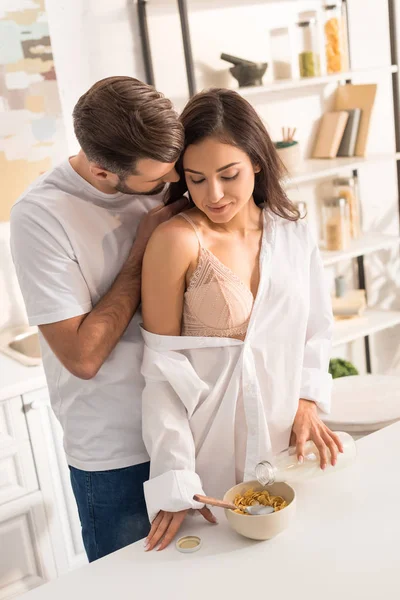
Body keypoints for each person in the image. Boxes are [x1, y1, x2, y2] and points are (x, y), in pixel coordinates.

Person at [140, 88, 343, 551]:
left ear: (255, 160)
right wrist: (175, 479)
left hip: (286, 450)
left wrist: (308, 400)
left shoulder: (293, 232)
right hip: (206, 461)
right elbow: (161, 375)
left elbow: (316, 328)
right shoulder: (177, 241)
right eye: (196, 179)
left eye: (228, 175)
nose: (214, 194)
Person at [10, 76, 189, 562]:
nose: (172, 187)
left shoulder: (167, 177)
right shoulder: (41, 217)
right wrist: (142, 250)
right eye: (155, 182)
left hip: (192, 430)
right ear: (103, 171)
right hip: (118, 454)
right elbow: (82, 357)